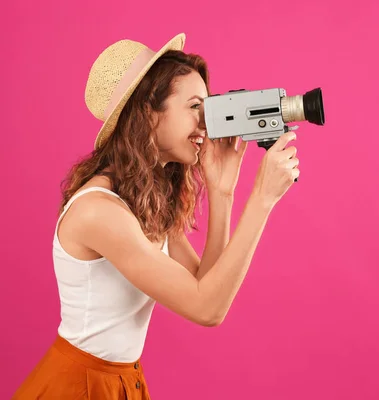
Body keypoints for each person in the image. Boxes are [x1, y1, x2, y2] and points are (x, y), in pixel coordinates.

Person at [13, 32, 300, 399]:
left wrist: (222, 191)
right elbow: (206, 308)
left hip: (121, 382)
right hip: (78, 387)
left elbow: (206, 281)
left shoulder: (142, 200)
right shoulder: (99, 211)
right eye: (195, 106)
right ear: (148, 112)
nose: (207, 122)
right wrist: (262, 199)